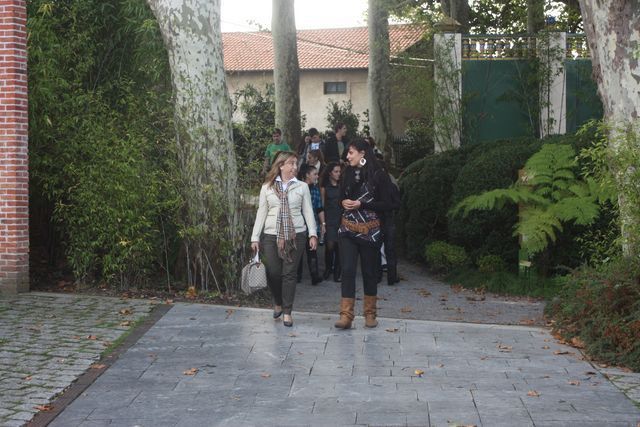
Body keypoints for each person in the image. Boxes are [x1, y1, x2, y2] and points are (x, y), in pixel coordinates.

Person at [251, 151, 318, 327]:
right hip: (271, 235)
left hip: (297, 234)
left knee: (289, 274)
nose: (295, 167)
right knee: (274, 272)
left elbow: (308, 211)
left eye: (296, 164)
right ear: (281, 166)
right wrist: (255, 237)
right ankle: (278, 302)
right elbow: (261, 212)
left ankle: (287, 311)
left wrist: (313, 233)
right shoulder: (267, 187)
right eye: (291, 163)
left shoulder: (302, 186)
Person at [334, 139, 395, 329]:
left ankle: (370, 314)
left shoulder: (379, 175)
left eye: (351, 152)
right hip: (347, 229)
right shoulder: (347, 173)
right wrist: (343, 202)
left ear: (362, 153)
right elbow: (340, 197)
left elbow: (389, 204)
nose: (347, 156)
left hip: (370, 231)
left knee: (370, 272)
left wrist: (363, 204)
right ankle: (346, 315)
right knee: (348, 270)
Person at [364, 136, 400, 286]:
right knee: (390, 249)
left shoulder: (373, 186)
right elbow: (397, 202)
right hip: (388, 218)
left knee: (376, 248)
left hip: (378, 218)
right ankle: (391, 276)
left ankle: (378, 275)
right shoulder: (391, 185)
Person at [296, 164, 325, 285]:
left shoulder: (315, 189)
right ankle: (297, 276)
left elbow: (319, 208)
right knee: (298, 252)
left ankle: (314, 276)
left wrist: (323, 223)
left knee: (312, 252)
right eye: (315, 174)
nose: (317, 176)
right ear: (307, 175)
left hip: (312, 225)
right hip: (299, 225)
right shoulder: (298, 187)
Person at [320, 161, 342, 282]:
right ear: (330, 173)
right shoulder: (325, 188)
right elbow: (322, 205)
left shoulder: (342, 186)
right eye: (336, 171)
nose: (338, 174)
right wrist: (322, 222)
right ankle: (328, 269)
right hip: (329, 218)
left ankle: (337, 272)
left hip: (341, 218)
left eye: (339, 171)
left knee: (339, 245)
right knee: (330, 246)